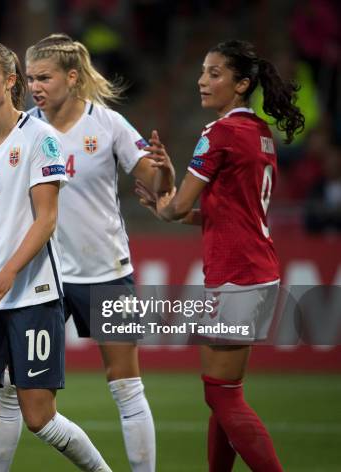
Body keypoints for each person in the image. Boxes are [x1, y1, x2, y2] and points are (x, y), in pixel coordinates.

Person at [0, 40, 112, 472]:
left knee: (39, 418)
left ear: (10, 81)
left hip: (33, 294)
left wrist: (9, 272)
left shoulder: (41, 139)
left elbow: (46, 219)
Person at [1, 33, 171, 472]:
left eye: (44, 77)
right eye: (30, 78)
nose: (34, 86)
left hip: (104, 270)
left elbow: (153, 181)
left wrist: (162, 174)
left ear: (72, 77)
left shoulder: (107, 124)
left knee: (127, 385)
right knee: (9, 388)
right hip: (43, 277)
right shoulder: (21, 129)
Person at [135, 39, 305, 471]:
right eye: (203, 72)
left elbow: (174, 209)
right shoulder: (260, 133)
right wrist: (171, 203)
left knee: (220, 394)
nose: (202, 81)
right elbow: (223, 213)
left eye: (215, 74)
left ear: (242, 83)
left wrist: (165, 194)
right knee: (225, 392)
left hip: (235, 274)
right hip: (258, 270)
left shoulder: (221, 133)